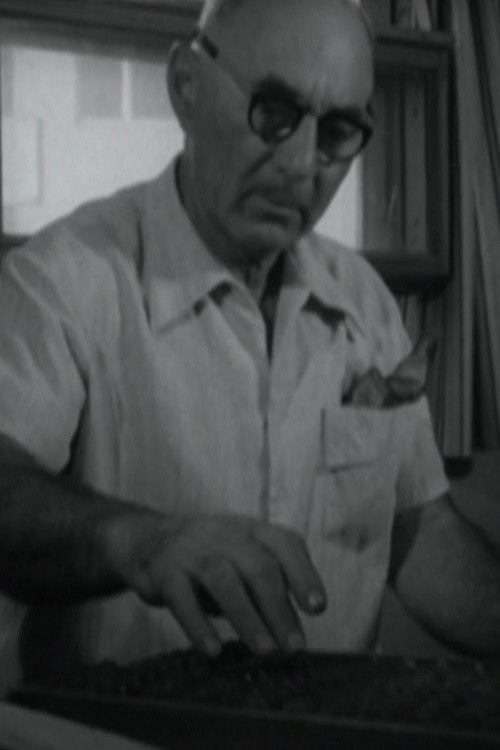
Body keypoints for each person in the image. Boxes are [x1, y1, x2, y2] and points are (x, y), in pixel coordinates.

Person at [0, 0, 498, 678]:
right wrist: (137, 542)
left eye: (338, 131)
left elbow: (419, 529)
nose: (302, 164)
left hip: (328, 722)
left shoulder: (363, 300)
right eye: (273, 111)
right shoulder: (64, 282)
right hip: (123, 726)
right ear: (185, 86)